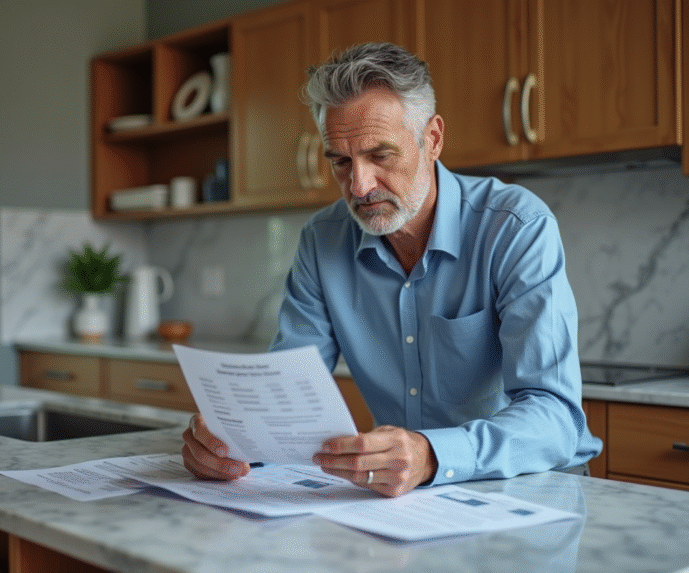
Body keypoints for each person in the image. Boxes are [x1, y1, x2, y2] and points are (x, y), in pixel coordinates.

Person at [182, 42, 602, 497]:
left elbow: (556, 415)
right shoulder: (322, 241)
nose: (359, 186)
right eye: (341, 162)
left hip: (532, 490)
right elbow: (286, 395)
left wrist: (431, 455)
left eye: (380, 155)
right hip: (410, 499)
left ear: (433, 139)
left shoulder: (515, 226)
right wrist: (232, 438)